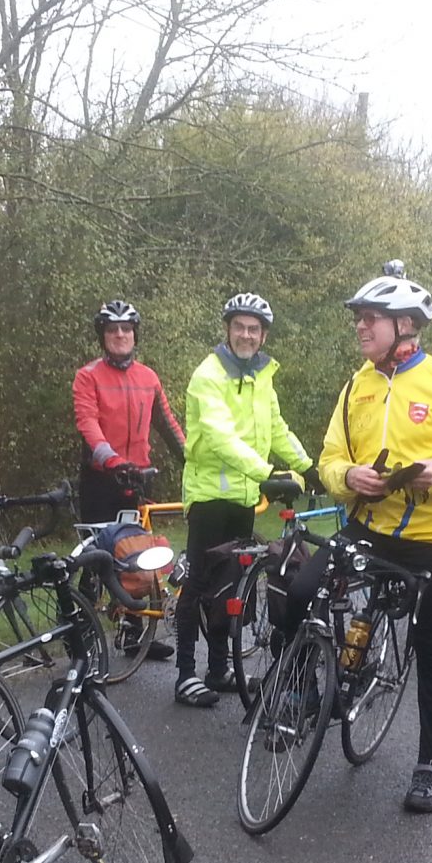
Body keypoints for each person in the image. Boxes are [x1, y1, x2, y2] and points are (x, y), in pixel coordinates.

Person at [318, 267, 432, 813]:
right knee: (299, 584)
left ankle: (429, 765)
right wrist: (349, 476)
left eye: (369, 319)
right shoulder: (357, 385)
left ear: (404, 325)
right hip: (370, 527)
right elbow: (329, 459)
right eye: (359, 319)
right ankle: (306, 689)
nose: (360, 328)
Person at [174, 292, 321, 707]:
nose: (245, 334)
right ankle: (185, 675)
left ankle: (218, 670)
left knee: (231, 584)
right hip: (207, 496)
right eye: (239, 326)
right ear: (228, 329)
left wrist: (308, 467)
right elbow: (220, 437)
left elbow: (276, 429)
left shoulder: (262, 377)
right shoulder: (209, 375)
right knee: (200, 581)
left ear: (263, 334)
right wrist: (267, 473)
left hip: (241, 496)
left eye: (253, 328)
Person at [73, 299, 186, 523]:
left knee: (140, 552)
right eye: (112, 329)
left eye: (126, 328)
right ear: (102, 337)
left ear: (135, 335)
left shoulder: (148, 377)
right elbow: (88, 424)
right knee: (100, 553)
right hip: (101, 480)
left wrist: (193, 460)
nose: (120, 334)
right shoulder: (88, 376)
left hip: (139, 478)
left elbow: (168, 425)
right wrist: (112, 460)